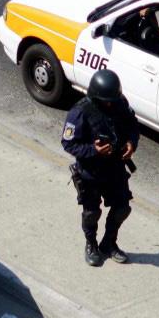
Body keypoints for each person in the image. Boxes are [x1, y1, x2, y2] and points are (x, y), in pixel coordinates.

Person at [62, 69, 139, 267]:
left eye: (113, 99)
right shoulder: (80, 112)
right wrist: (94, 150)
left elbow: (132, 125)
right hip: (90, 173)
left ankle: (109, 243)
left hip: (114, 168)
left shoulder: (119, 103)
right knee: (91, 213)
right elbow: (68, 143)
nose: (111, 104)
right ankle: (91, 244)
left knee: (122, 208)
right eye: (107, 101)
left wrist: (131, 142)